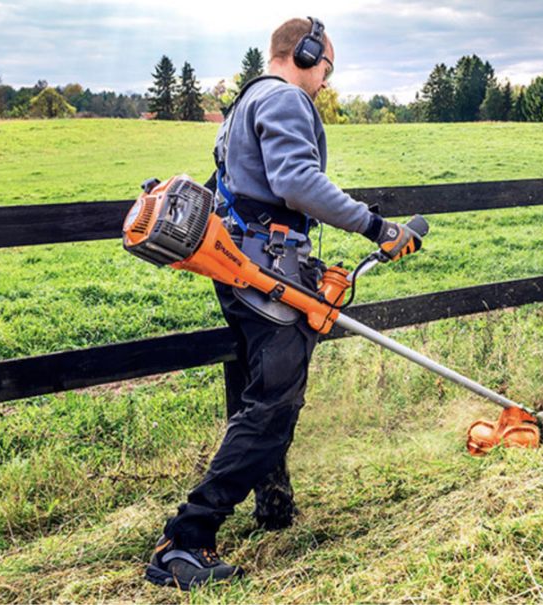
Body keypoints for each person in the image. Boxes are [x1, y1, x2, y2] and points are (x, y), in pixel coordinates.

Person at [145, 17, 422, 591]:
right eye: (326, 67)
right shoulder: (287, 100)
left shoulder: (245, 102)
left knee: (264, 399)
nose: (325, 80)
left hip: (243, 270)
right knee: (272, 407)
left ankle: (273, 505)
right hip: (264, 274)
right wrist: (377, 227)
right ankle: (187, 539)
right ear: (305, 52)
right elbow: (297, 184)